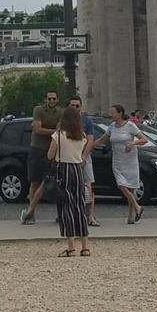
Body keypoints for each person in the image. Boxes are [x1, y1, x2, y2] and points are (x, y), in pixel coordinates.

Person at [47, 104, 92, 257]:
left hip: (63, 169)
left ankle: (71, 246)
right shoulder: (82, 136)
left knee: (66, 206)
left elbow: (50, 155)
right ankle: (85, 246)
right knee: (79, 205)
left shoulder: (58, 135)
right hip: (78, 169)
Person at [91, 105, 147, 224]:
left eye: (113, 112)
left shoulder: (130, 125)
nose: (111, 115)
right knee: (121, 184)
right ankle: (137, 207)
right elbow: (102, 139)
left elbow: (144, 139)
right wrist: (89, 145)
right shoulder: (111, 127)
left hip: (130, 159)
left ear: (120, 113)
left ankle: (131, 216)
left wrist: (133, 143)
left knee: (131, 187)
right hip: (117, 160)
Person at [20, 90, 64, 225]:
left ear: (57, 99)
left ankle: (60, 214)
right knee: (35, 181)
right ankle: (31, 214)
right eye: (49, 99)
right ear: (45, 99)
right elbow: (38, 129)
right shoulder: (38, 110)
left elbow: (43, 129)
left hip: (53, 150)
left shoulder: (61, 112)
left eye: (54, 98)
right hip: (37, 149)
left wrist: (45, 130)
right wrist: (54, 131)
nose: (52, 101)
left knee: (55, 182)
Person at [67, 95, 99, 227]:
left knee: (88, 186)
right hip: (69, 157)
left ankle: (90, 216)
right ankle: (72, 214)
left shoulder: (86, 121)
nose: (75, 108)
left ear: (81, 107)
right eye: (72, 106)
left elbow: (90, 140)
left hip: (84, 157)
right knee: (70, 187)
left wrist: (84, 156)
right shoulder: (65, 121)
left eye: (77, 106)